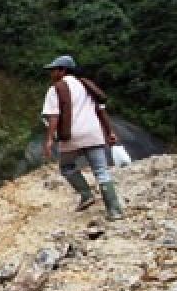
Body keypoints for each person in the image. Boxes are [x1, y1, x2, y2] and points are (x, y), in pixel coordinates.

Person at [40, 54, 123, 220]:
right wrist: (110, 133)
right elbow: (101, 111)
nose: (51, 73)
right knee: (101, 171)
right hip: (93, 134)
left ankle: (86, 195)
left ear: (62, 70)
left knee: (66, 167)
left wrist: (49, 140)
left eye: (54, 70)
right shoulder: (88, 85)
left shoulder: (56, 88)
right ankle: (114, 211)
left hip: (72, 136)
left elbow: (54, 116)